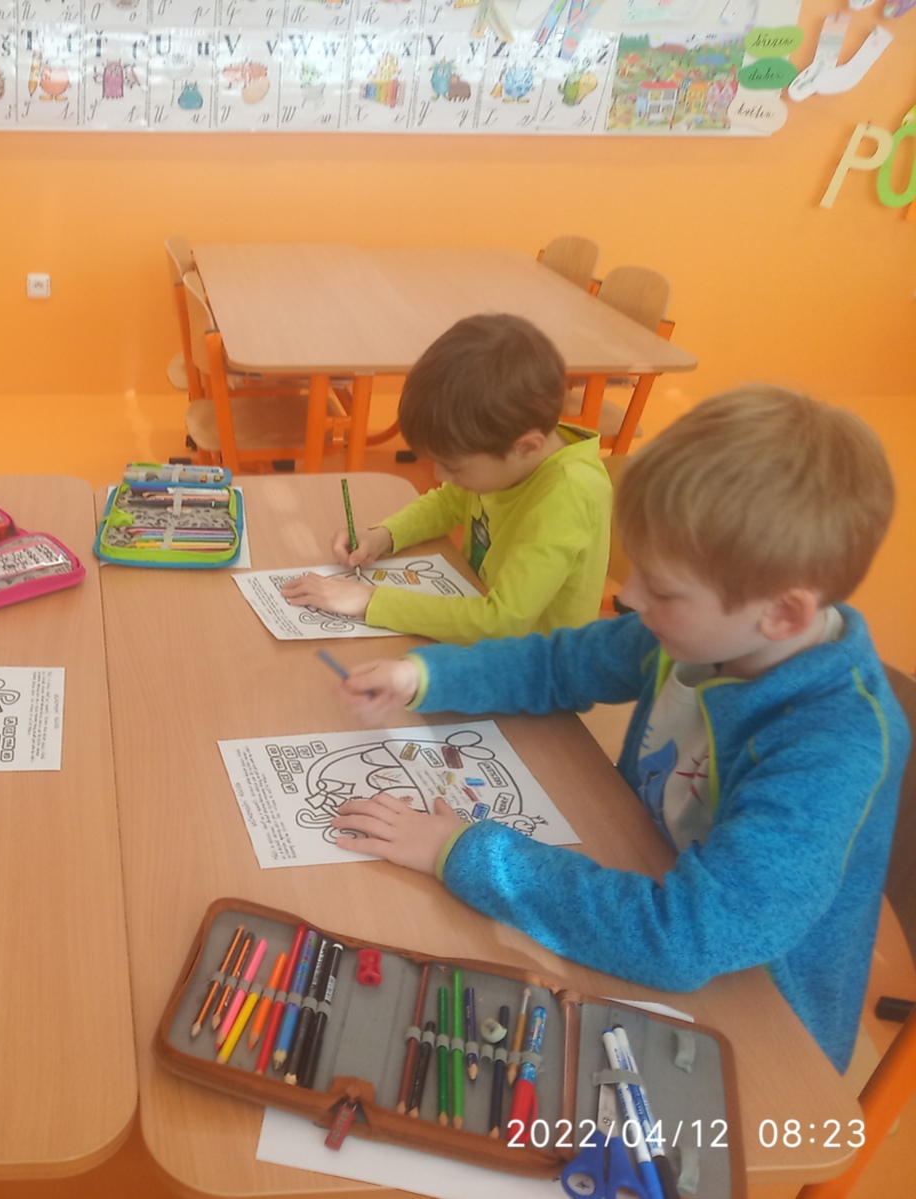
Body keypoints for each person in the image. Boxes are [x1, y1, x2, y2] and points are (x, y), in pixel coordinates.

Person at [325, 387, 905, 1072]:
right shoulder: (705, 631)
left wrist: (463, 852)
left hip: (757, 1021)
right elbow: (560, 664)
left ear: (782, 613)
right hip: (640, 874)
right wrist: (424, 676)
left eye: (662, 589)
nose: (628, 598)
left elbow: (685, 939)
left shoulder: (833, 748)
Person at [280, 314, 610, 643]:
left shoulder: (569, 494)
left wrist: (369, 600)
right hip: (482, 630)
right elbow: (448, 502)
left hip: (535, 665)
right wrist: (384, 535)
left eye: (453, 467)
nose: (439, 476)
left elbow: (501, 622)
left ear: (525, 447)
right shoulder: (508, 453)